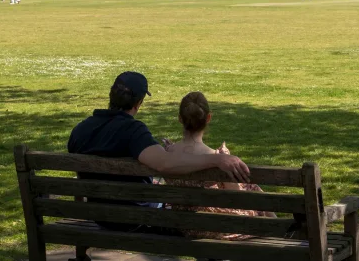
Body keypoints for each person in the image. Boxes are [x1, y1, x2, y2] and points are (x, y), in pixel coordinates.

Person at [67, 73, 250, 234]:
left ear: (111, 95)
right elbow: (165, 164)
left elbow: (81, 176)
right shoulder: (133, 131)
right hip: (136, 219)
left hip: (99, 215)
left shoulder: (80, 130)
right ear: (139, 103)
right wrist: (217, 159)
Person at [163, 92, 275, 240]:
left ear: (179, 119)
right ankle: (280, 231)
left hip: (185, 226)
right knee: (253, 189)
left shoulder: (167, 154)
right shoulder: (219, 157)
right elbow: (235, 197)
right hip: (217, 227)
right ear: (208, 118)